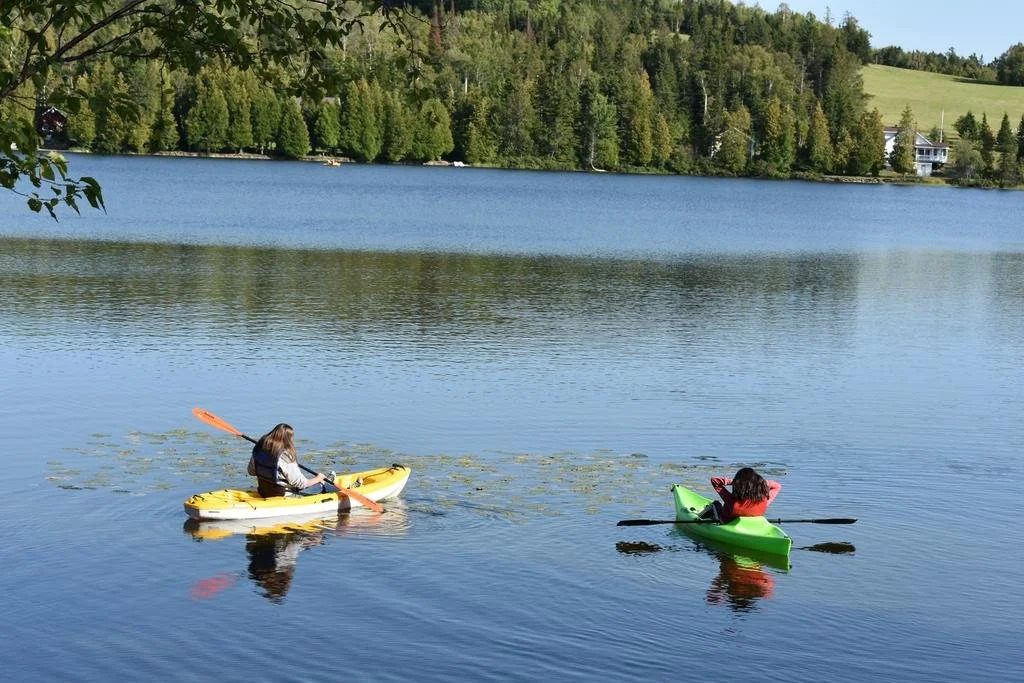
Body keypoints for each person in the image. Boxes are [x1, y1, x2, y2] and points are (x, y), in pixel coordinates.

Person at [247, 423, 325, 497]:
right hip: (282, 494)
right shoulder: (286, 456)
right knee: (321, 485)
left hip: (263, 492)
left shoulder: (258, 450)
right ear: (288, 439)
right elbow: (302, 484)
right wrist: (318, 478)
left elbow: (251, 472)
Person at [701, 467, 781, 523]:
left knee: (716, 504)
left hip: (727, 524)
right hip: (751, 524)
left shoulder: (731, 501)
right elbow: (777, 486)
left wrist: (737, 482)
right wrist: (759, 483)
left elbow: (715, 480)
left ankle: (698, 517)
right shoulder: (764, 500)